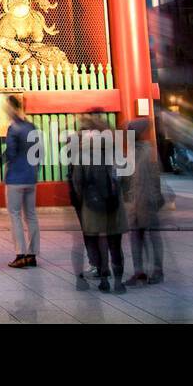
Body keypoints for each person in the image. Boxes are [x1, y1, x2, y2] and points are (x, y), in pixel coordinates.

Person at [68, 115, 127, 293]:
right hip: (114, 202)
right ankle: (118, 282)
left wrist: (83, 199)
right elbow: (123, 173)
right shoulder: (113, 148)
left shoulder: (82, 152)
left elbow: (77, 181)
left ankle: (104, 280)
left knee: (98, 241)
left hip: (92, 202)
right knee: (115, 243)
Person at [121, 118, 167, 285]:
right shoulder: (134, 151)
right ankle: (139, 271)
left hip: (147, 201)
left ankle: (157, 270)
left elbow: (155, 178)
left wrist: (154, 198)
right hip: (135, 202)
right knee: (135, 236)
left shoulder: (148, 152)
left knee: (153, 236)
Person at [2, 94, 40, 268]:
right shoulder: (31, 126)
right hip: (31, 176)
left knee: (15, 215)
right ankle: (33, 254)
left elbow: (10, 152)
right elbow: (38, 152)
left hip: (16, 178)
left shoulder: (13, 128)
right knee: (31, 215)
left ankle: (20, 253)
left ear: (11, 108)